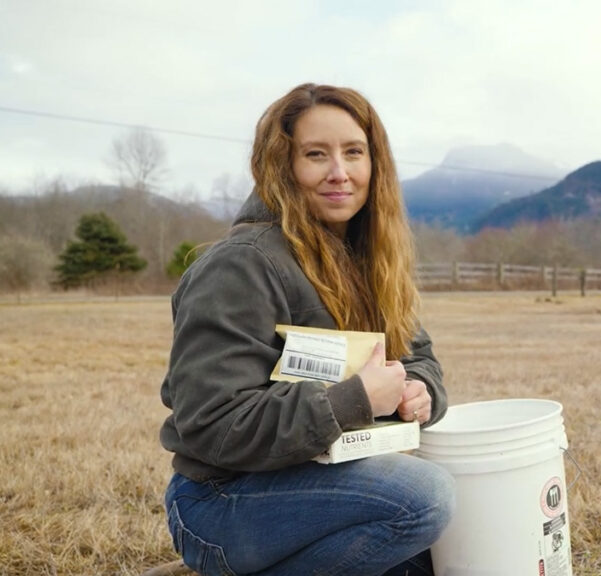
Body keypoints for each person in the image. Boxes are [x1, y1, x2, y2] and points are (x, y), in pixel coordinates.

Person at [159, 83, 454, 576]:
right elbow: (211, 422)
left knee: (436, 554)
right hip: (223, 499)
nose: (339, 173)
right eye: (316, 155)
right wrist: (355, 398)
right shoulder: (241, 265)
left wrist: (420, 391)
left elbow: (416, 354)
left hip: (321, 479)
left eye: (354, 153)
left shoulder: (369, 258)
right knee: (423, 497)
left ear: (374, 164)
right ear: (283, 165)